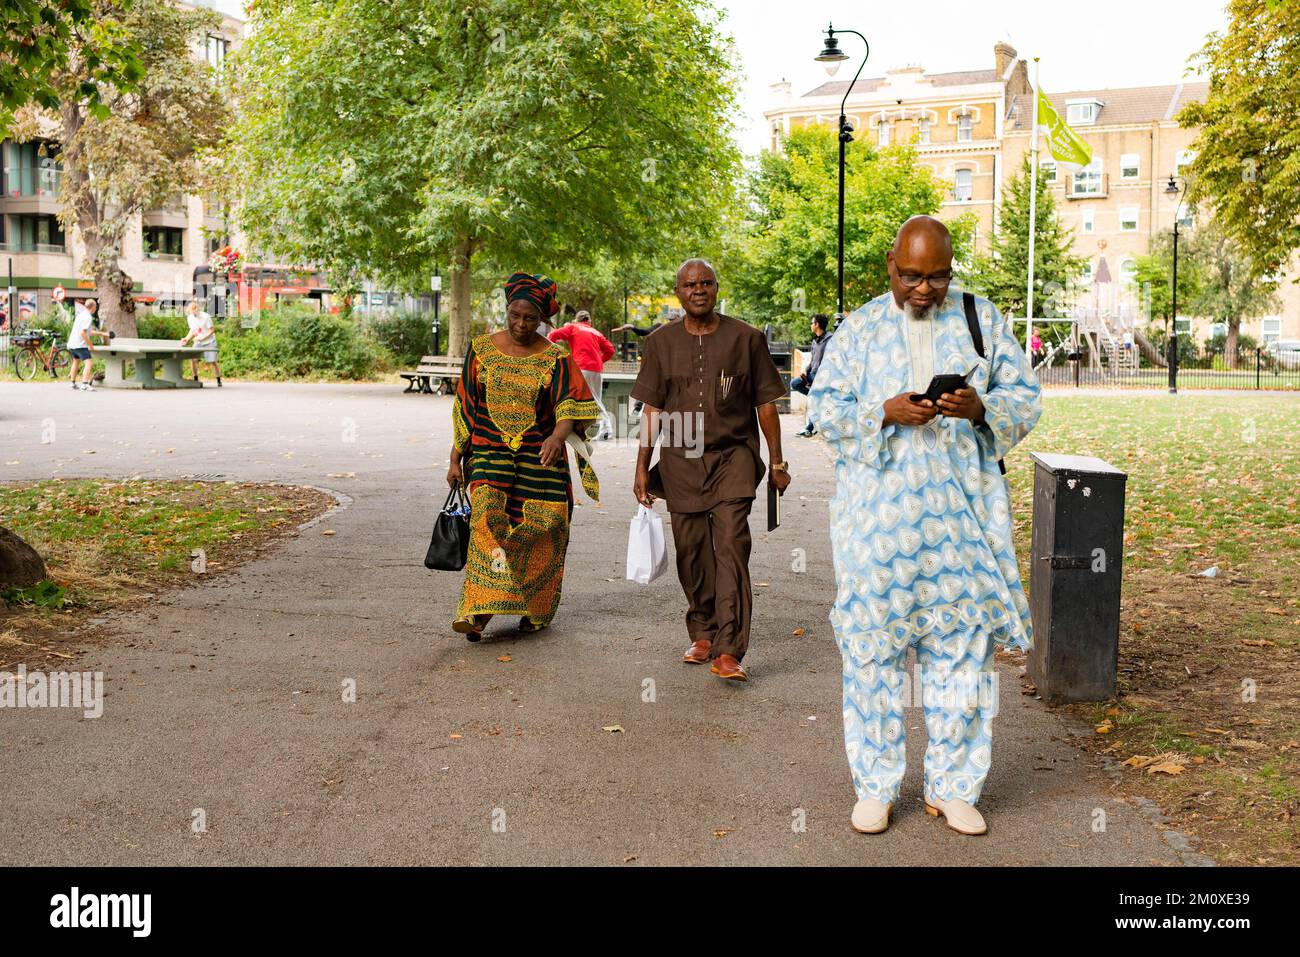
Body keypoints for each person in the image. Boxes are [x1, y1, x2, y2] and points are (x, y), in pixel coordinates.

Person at [808, 215, 1042, 837]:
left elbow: (1027, 397)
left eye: (936, 276)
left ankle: (955, 786)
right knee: (872, 654)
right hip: (876, 524)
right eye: (911, 275)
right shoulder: (857, 330)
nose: (923, 289)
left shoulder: (980, 318)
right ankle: (877, 787)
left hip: (963, 524)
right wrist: (880, 412)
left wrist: (981, 406)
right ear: (890, 265)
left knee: (964, 656)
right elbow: (822, 409)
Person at [631, 259, 788, 683]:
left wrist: (776, 461)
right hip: (681, 459)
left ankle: (729, 649)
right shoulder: (661, 343)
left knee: (732, 547)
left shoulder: (746, 339)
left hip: (733, 456)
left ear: (717, 288)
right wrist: (642, 466)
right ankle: (702, 630)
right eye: (689, 285)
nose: (698, 290)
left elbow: (766, 405)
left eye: (706, 283)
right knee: (693, 550)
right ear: (678, 292)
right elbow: (653, 409)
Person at [447, 273, 600, 640]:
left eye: (530, 318)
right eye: (514, 315)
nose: (520, 324)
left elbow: (573, 404)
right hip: (487, 454)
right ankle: (479, 610)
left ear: (542, 320)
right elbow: (466, 406)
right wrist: (454, 458)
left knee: (542, 528)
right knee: (486, 524)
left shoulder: (555, 357)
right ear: (507, 310)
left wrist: (556, 436)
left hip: (540, 460)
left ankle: (534, 608)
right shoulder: (481, 350)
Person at [549, 309, 615, 440]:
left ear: (577, 320)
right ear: (589, 321)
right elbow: (610, 350)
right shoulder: (596, 332)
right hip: (596, 369)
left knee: (576, 397)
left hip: (581, 368)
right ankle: (598, 429)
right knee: (595, 398)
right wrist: (598, 361)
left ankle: (605, 429)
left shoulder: (573, 328)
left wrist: (553, 354)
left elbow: (552, 335)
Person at [791, 313, 833, 437]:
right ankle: (815, 396)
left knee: (815, 400)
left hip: (822, 377)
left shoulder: (830, 339)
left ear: (817, 324)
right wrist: (805, 370)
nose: (811, 325)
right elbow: (812, 361)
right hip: (812, 374)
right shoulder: (815, 341)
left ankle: (809, 428)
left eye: (812, 323)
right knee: (795, 383)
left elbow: (830, 360)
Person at [67, 299, 109, 391]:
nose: (96, 308)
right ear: (93, 307)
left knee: (76, 361)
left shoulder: (81, 315)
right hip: (80, 345)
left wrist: (104, 334)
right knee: (89, 363)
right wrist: (90, 345)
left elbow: (89, 332)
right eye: (96, 307)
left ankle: (72, 383)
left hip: (72, 343)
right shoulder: (88, 317)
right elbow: (83, 333)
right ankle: (85, 384)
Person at [178, 300, 222, 387]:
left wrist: (202, 337)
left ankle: (218, 379)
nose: (193, 314)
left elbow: (212, 330)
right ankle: (195, 379)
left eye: (194, 312)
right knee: (193, 359)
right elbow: (193, 330)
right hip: (198, 341)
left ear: (197, 309)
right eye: (191, 312)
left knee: (213, 361)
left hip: (209, 341)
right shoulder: (190, 318)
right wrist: (187, 338)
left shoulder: (206, 316)